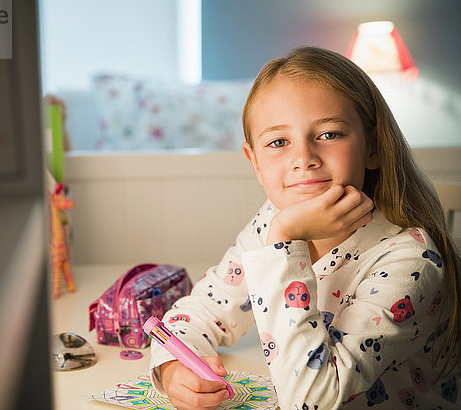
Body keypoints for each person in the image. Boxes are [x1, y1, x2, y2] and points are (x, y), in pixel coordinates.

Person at [149, 46, 461, 409]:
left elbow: (313, 400)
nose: (303, 159)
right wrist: (173, 370)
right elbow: (202, 312)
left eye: (329, 134)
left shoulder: (410, 261)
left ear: (372, 147)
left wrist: (284, 240)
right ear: (255, 163)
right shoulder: (272, 220)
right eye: (279, 142)